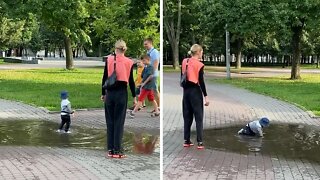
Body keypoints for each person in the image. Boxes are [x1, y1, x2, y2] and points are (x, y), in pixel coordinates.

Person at [101, 40, 136, 158]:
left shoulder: (109, 60)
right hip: (121, 93)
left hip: (109, 93)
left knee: (110, 121)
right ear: (125, 49)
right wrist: (134, 96)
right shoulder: (129, 62)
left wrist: (103, 93)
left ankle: (110, 149)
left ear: (115, 48)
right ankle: (117, 150)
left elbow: (105, 77)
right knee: (119, 122)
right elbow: (131, 81)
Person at [181, 44, 209, 150]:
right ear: (198, 52)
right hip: (195, 92)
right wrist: (206, 96)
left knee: (187, 116)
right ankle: (200, 142)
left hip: (186, 91)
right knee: (199, 117)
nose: (202, 53)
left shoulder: (184, 61)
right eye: (202, 52)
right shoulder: (199, 64)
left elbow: (182, 77)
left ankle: (186, 140)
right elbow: (201, 82)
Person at [144, 38, 160, 108]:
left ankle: (159, 107)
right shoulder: (148, 52)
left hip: (153, 75)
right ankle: (156, 107)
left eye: (146, 44)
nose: (145, 45)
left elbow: (156, 63)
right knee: (150, 91)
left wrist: (151, 74)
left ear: (150, 43)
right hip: (149, 75)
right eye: (144, 44)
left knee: (155, 91)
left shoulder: (154, 52)